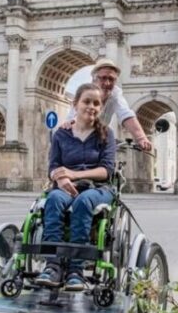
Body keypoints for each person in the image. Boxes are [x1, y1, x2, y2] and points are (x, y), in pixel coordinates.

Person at [35, 83, 117, 291]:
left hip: (97, 188)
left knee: (83, 201)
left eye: (96, 103)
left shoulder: (106, 134)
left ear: (101, 107)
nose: (91, 106)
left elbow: (106, 171)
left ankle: (75, 270)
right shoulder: (61, 134)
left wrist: (73, 174)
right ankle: (53, 266)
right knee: (53, 199)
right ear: (75, 104)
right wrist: (60, 178)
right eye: (87, 101)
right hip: (66, 187)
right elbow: (53, 166)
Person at [61, 58, 153, 152]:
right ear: (94, 79)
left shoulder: (115, 94)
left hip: (99, 140)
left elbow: (126, 114)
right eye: (103, 78)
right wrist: (70, 123)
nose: (107, 83)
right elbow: (75, 117)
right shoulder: (85, 93)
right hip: (76, 138)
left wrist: (141, 138)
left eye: (111, 79)